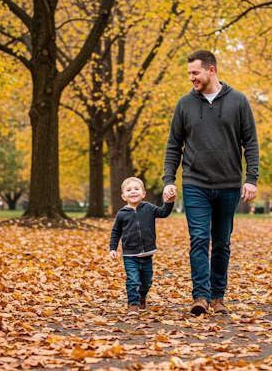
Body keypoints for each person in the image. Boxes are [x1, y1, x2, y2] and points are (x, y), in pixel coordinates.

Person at [162, 50, 259, 316]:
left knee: (221, 243)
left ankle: (218, 297)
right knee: (199, 239)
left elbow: (250, 142)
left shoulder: (238, 101)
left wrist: (251, 179)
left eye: (195, 73)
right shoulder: (184, 104)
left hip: (229, 184)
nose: (191, 78)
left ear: (211, 70)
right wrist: (169, 179)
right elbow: (173, 145)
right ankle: (201, 297)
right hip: (195, 183)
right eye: (189, 73)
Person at [109, 177, 175, 312]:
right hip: (130, 255)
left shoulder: (149, 208)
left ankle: (141, 297)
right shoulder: (122, 214)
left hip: (147, 254)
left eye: (136, 189)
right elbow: (116, 232)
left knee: (147, 282)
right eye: (129, 190)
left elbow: (163, 212)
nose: (133, 192)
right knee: (133, 280)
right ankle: (133, 304)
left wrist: (169, 202)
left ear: (143, 193)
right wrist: (113, 248)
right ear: (123, 196)